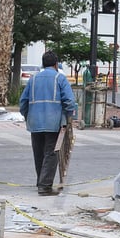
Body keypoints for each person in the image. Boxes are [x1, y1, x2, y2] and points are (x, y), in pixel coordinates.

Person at [19, 51, 78, 195]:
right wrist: (68, 117)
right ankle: (44, 186)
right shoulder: (60, 78)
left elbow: (23, 103)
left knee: (38, 153)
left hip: (35, 123)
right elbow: (70, 101)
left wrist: (28, 116)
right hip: (54, 122)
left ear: (43, 64)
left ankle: (41, 182)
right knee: (51, 153)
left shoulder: (33, 79)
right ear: (56, 64)